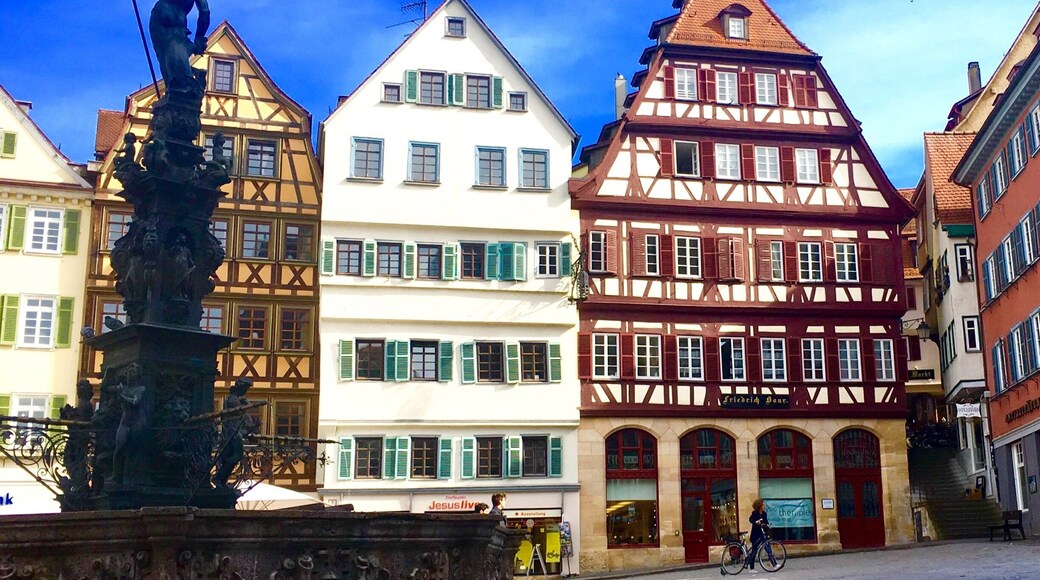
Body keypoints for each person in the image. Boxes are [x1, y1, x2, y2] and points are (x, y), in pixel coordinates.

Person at [747, 498, 775, 573]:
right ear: (760, 506)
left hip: (763, 534)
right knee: (754, 551)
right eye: (763, 504)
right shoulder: (754, 513)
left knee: (768, 549)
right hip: (756, 534)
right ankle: (751, 568)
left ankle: (774, 564)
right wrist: (756, 522)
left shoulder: (764, 513)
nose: (764, 506)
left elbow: (766, 522)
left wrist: (767, 525)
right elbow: (751, 520)